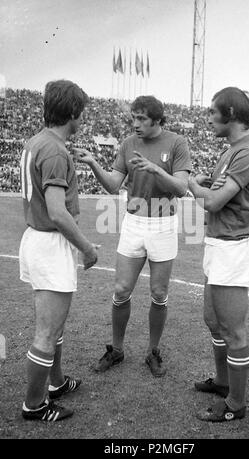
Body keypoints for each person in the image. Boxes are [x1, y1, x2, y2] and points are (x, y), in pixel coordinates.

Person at [74, 95, 191, 377]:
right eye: (134, 118)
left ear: (158, 120)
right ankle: (116, 349)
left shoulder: (177, 143)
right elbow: (114, 185)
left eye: (142, 119)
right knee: (121, 290)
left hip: (163, 225)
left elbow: (181, 188)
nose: (136, 124)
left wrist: (156, 170)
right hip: (134, 223)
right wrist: (93, 164)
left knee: (159, 293)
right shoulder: (127, 144)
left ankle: (153, 352)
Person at [188, 87, 249, 422]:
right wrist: (208, 184)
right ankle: (224, 383)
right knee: (213, 320)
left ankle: (236, 404)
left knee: (233, 330)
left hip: (234, 247)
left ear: (232, 114)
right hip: (220, 243)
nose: (208, 118)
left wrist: (193, 185)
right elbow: (221, 193)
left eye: (212, 112)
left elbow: (212, 202)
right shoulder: (234, 150)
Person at [19, 80, 99, 422]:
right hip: (50, 243)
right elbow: (56, 211)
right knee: (48, 331)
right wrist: (87, 248)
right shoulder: (54, 150)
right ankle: (34, 405)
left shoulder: (37, 141)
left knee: (55, 326)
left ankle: (56, 383)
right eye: (80, 112)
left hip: (37, 240)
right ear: (73, 113)